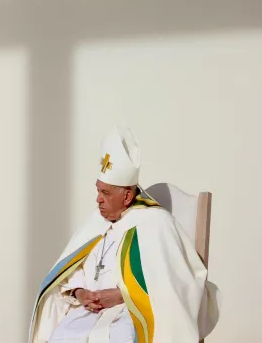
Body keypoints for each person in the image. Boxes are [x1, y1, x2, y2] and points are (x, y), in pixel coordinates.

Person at [29, 127, 220, 343]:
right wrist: (80, 292)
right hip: (91, 312)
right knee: (63, 335)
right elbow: (72, 270)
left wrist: (123, 295)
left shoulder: (156, 223)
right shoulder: (97, 223)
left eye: (106, 193)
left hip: (133, 313)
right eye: (98, 191)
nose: (98, 199)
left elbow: (174, 286)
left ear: (127, 195)